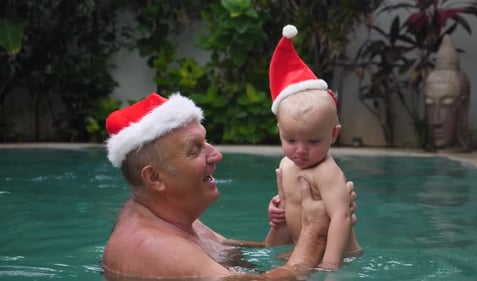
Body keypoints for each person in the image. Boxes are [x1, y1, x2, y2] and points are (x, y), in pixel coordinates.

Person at [102, 92, 358, 280]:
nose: (216, 155)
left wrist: (289, 220)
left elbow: (240, 259)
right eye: (195, 149)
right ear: (155, 178)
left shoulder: (177, 223)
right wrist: (314, 232)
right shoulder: (154, 247)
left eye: (206, 141)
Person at [264, 25, 362, 270]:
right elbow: (292, 208)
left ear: (334, 134)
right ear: (280, 131)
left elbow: (341, 216)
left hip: (341, 256)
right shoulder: (286, 165)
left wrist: (330, 264)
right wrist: (278, 213)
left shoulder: (326, 172)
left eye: (313, 141)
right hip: (303, 249)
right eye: (291, 140)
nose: (301, 150)